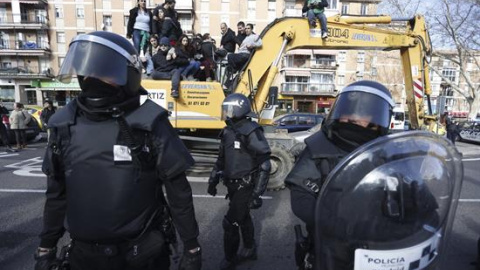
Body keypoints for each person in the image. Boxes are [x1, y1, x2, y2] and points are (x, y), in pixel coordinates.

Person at [34, 31, 202, 270]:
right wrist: (46, 247)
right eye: (88, 71)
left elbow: (179, 193)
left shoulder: (150, 122)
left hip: (141, 254)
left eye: (104, 72)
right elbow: (56, 194)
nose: (92, 77)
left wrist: (192, 246)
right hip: (83, 256)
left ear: (129, 74)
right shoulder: (63, 124)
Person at [285, 80, 394, 269]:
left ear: (378, 117)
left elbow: (415, 194)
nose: (354, 118)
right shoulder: (318, 147)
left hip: (379, 250)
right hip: (329, 247)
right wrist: (336, 223)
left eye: (364, 114)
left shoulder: (389, 153)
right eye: (349, 112)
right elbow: (301, 196)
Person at [207, 93, 271, 270]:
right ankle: (250, 249)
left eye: (228, 110)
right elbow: (221, 159)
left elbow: (265, 164)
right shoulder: (228, 131)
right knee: (243, 218)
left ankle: (230, 258)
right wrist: (212, 180)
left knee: (230, 222)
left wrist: (256, 194)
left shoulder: (251, 130)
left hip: (245, 185)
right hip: (232, 184)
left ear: (238, 109)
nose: (225, 113)